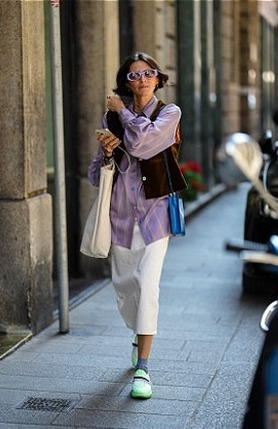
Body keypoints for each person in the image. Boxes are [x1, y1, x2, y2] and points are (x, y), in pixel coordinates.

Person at [87, 52, 185, 400]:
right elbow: (95, 175)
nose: (141, 79)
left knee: (147, 285)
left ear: (158, 79)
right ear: (125, 83)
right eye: (134, 75)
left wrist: (123, 113)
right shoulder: (111, 119)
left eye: (148, 73)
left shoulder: (170, 113)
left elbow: (144, 145)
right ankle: (137, 333)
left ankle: (143, 367)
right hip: (120, 216)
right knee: (125, 287)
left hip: (155, 215)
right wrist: (107, 153)